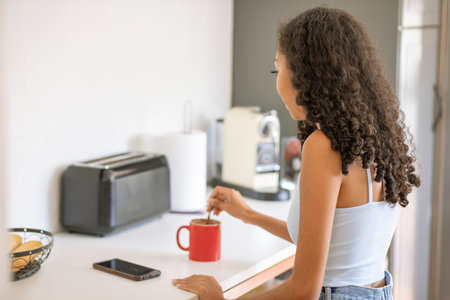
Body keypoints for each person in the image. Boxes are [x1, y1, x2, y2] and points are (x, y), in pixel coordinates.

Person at [172, 6, 420, 300]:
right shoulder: (377, 138)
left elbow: (304, 291)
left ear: (307, 75)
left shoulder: (324, 145)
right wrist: (247, 213)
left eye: (278, 68)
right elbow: (329, 239)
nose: (278, 80)